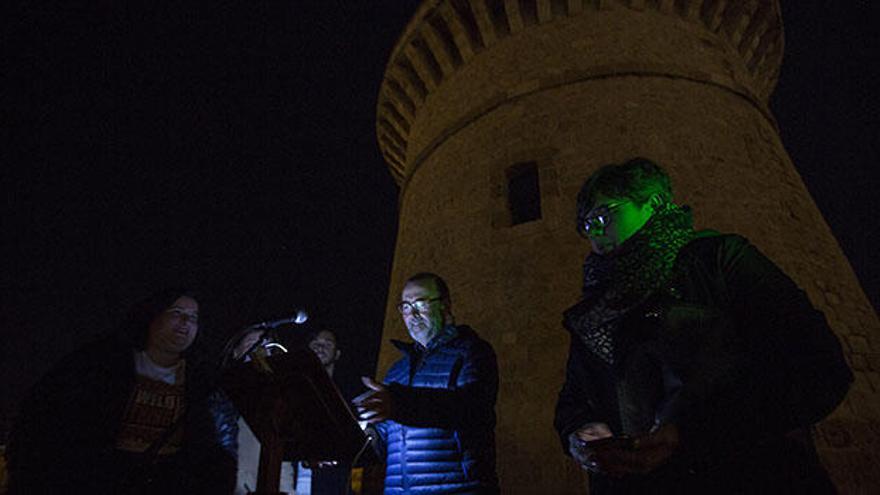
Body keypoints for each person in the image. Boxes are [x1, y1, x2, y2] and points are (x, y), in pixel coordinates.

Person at [554, 158, 853, 494]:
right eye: (585, 225)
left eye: (602, 217)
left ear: (652, 203)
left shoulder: (719, 262)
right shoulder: (597, 310)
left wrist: (691, 432)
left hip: (751, 477)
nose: (593, 233)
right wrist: (579, 432)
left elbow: (817, 368)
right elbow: (573, 398)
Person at [7, 289, 238, 494]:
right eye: (176, 312)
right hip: (104, 478)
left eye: (193, 318)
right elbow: (48, 415)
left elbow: (217, 441)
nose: (185, 322)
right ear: (152, 316)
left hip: (169, 480)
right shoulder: (101, 363)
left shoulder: (202, 379)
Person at [354, 273, 499, 494]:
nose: (412, 314)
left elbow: (470, 408)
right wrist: (358, 439)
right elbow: (383, 438)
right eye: (405, 306)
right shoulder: (396, 372)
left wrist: (400, 403)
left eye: (420, 303)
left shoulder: (472, 352)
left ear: (445, 305)